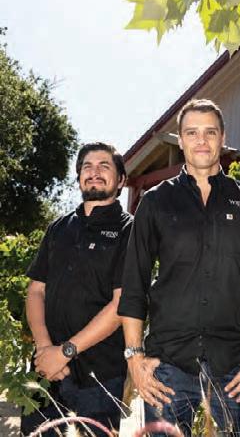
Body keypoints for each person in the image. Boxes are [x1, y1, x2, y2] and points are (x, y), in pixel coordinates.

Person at [118, 99, 240, 436]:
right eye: (192, 133)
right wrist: (134, 357)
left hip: (236, 364)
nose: (202, 141)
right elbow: (134, 283)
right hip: (167, 364)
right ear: (180, 140)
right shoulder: (155, 201)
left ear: (223, 137)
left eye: (210, 132)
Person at [22, 142, 133, 436]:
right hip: (46, 370)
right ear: (79, 177)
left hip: (100, 376)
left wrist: (65, 352)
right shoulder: (58, 228)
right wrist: (45, 348)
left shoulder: (131, 231)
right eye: (87, 166)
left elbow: (121, 305)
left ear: (121, 180)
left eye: (104, 166)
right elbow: (36, 291)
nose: (94, 172)